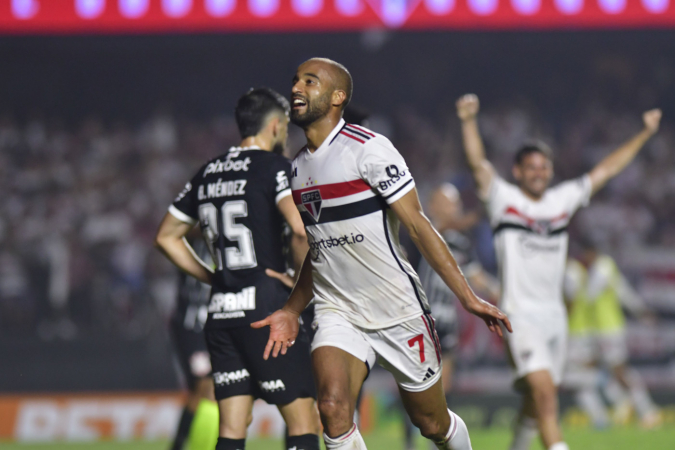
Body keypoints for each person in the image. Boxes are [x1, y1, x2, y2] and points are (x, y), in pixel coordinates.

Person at [253, 57, 511, 450]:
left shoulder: (369, 150)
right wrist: (291, 309)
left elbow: (419, 226)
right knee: (332, 408)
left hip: (396, 307)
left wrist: (468, 297)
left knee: (431, 422)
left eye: (310, 81)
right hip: (338, 309)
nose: (297, 88)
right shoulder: (297, 169)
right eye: (295, 80)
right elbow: (320, 251)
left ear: (338, 97)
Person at [455, 93, 662, 450]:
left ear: (550, 171)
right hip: (519, 316)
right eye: (531, 167)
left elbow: (607, 170)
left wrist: (643, 134)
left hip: (556, 319)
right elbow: (478, 165)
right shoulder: (505, 200)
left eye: (543, 167)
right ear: (518, 171)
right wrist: (468, 120)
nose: (538, 173)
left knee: (536, 405)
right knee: (546, 394)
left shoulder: (560, 202)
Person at [155, 87, 321, 450]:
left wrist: (212, 276)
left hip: (221, 312)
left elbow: (166, 237)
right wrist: (296, 282)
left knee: (232, 425)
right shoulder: (275, 168)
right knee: (302, 418)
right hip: (266, 308)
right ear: (276, 126)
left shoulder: (208, 172)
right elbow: (298, 228)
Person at [403, 183, 500, 450]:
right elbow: (435, 232)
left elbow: (474, 274)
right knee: (415, 388)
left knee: (443, 392)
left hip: (447, 323)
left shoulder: (460, 242)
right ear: (432, 206)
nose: (452, 209)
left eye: (454, 204)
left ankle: (440, 444)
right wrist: (474, 216)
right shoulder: (417, 231)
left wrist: (500, 293)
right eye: (446, 203)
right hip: (417, 320)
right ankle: (409, 442)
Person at [564, 241, 660, 429]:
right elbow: (624, 291)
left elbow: (593, 294)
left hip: (609, 328)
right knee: (599, 368)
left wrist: (640, 310)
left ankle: (647, 411)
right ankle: (622, 407)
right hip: (596, 329)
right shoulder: (589, 270)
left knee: (618, 369)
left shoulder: (603, 267)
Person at [168, 235, 218, 450]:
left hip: (214, 326)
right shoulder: (193, 242)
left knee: (203, 392)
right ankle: (180, 445)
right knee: (205, 388)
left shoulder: (226, 242)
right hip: (192, 327)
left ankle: (180, 444)